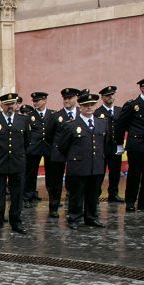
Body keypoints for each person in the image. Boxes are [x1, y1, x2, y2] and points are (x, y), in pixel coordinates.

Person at [58, 91, 111, 229]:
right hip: (79, 165)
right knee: (76, 194)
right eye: (86, 105)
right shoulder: (71, 125)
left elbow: (106, 143)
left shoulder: (102, 123)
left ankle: (91, 217)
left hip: (96, 164)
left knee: (93, 194)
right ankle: (74, 218)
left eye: (92, 105)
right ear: (80, 107)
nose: (89, 107)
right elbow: (63, 146)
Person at [0, 93, 29, 236]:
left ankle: (16, 221)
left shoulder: (23, 121)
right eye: (6, 104)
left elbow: (27, 141)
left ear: (16, 105)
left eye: (12, 103)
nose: (9, 106)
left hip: (17, 162)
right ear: (1, 105)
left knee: (17, 194)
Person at [116, 74, 144, 212]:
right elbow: (120, 125)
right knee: (134, 175)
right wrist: (119, 144)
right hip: (137, 145)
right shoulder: (132, 105)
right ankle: (130, 201)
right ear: (142, 88)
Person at [42, 87, 79, 220]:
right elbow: (48, 135)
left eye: (69, 98)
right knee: (55, 182)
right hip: (58, 154)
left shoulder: (81, 114)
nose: (67, 100)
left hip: (76, 154)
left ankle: (74, 207)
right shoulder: (56, 116)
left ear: (76, 98)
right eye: (65, 98)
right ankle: (53, 207)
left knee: (75, 181)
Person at [24, 91, 52, 206]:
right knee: (30, 173)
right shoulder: (29, 116)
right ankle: (28, 196)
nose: (35, 103)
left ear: (44, 101)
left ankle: (52, 197)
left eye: (37, 101)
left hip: (48, 148)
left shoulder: (52, 115)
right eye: (34, 101)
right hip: (33, 149)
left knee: (51, 174)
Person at [97, 86, 124, 202]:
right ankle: (96, 194)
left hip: (116, 146)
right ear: (102, 98)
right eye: (107, 95)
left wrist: (121, 144)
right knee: (99, 173)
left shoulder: (120, 111)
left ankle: (113, 194)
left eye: (112, 95)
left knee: (115, 172)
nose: (110, 97)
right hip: (102, 147)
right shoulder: (98, 112)